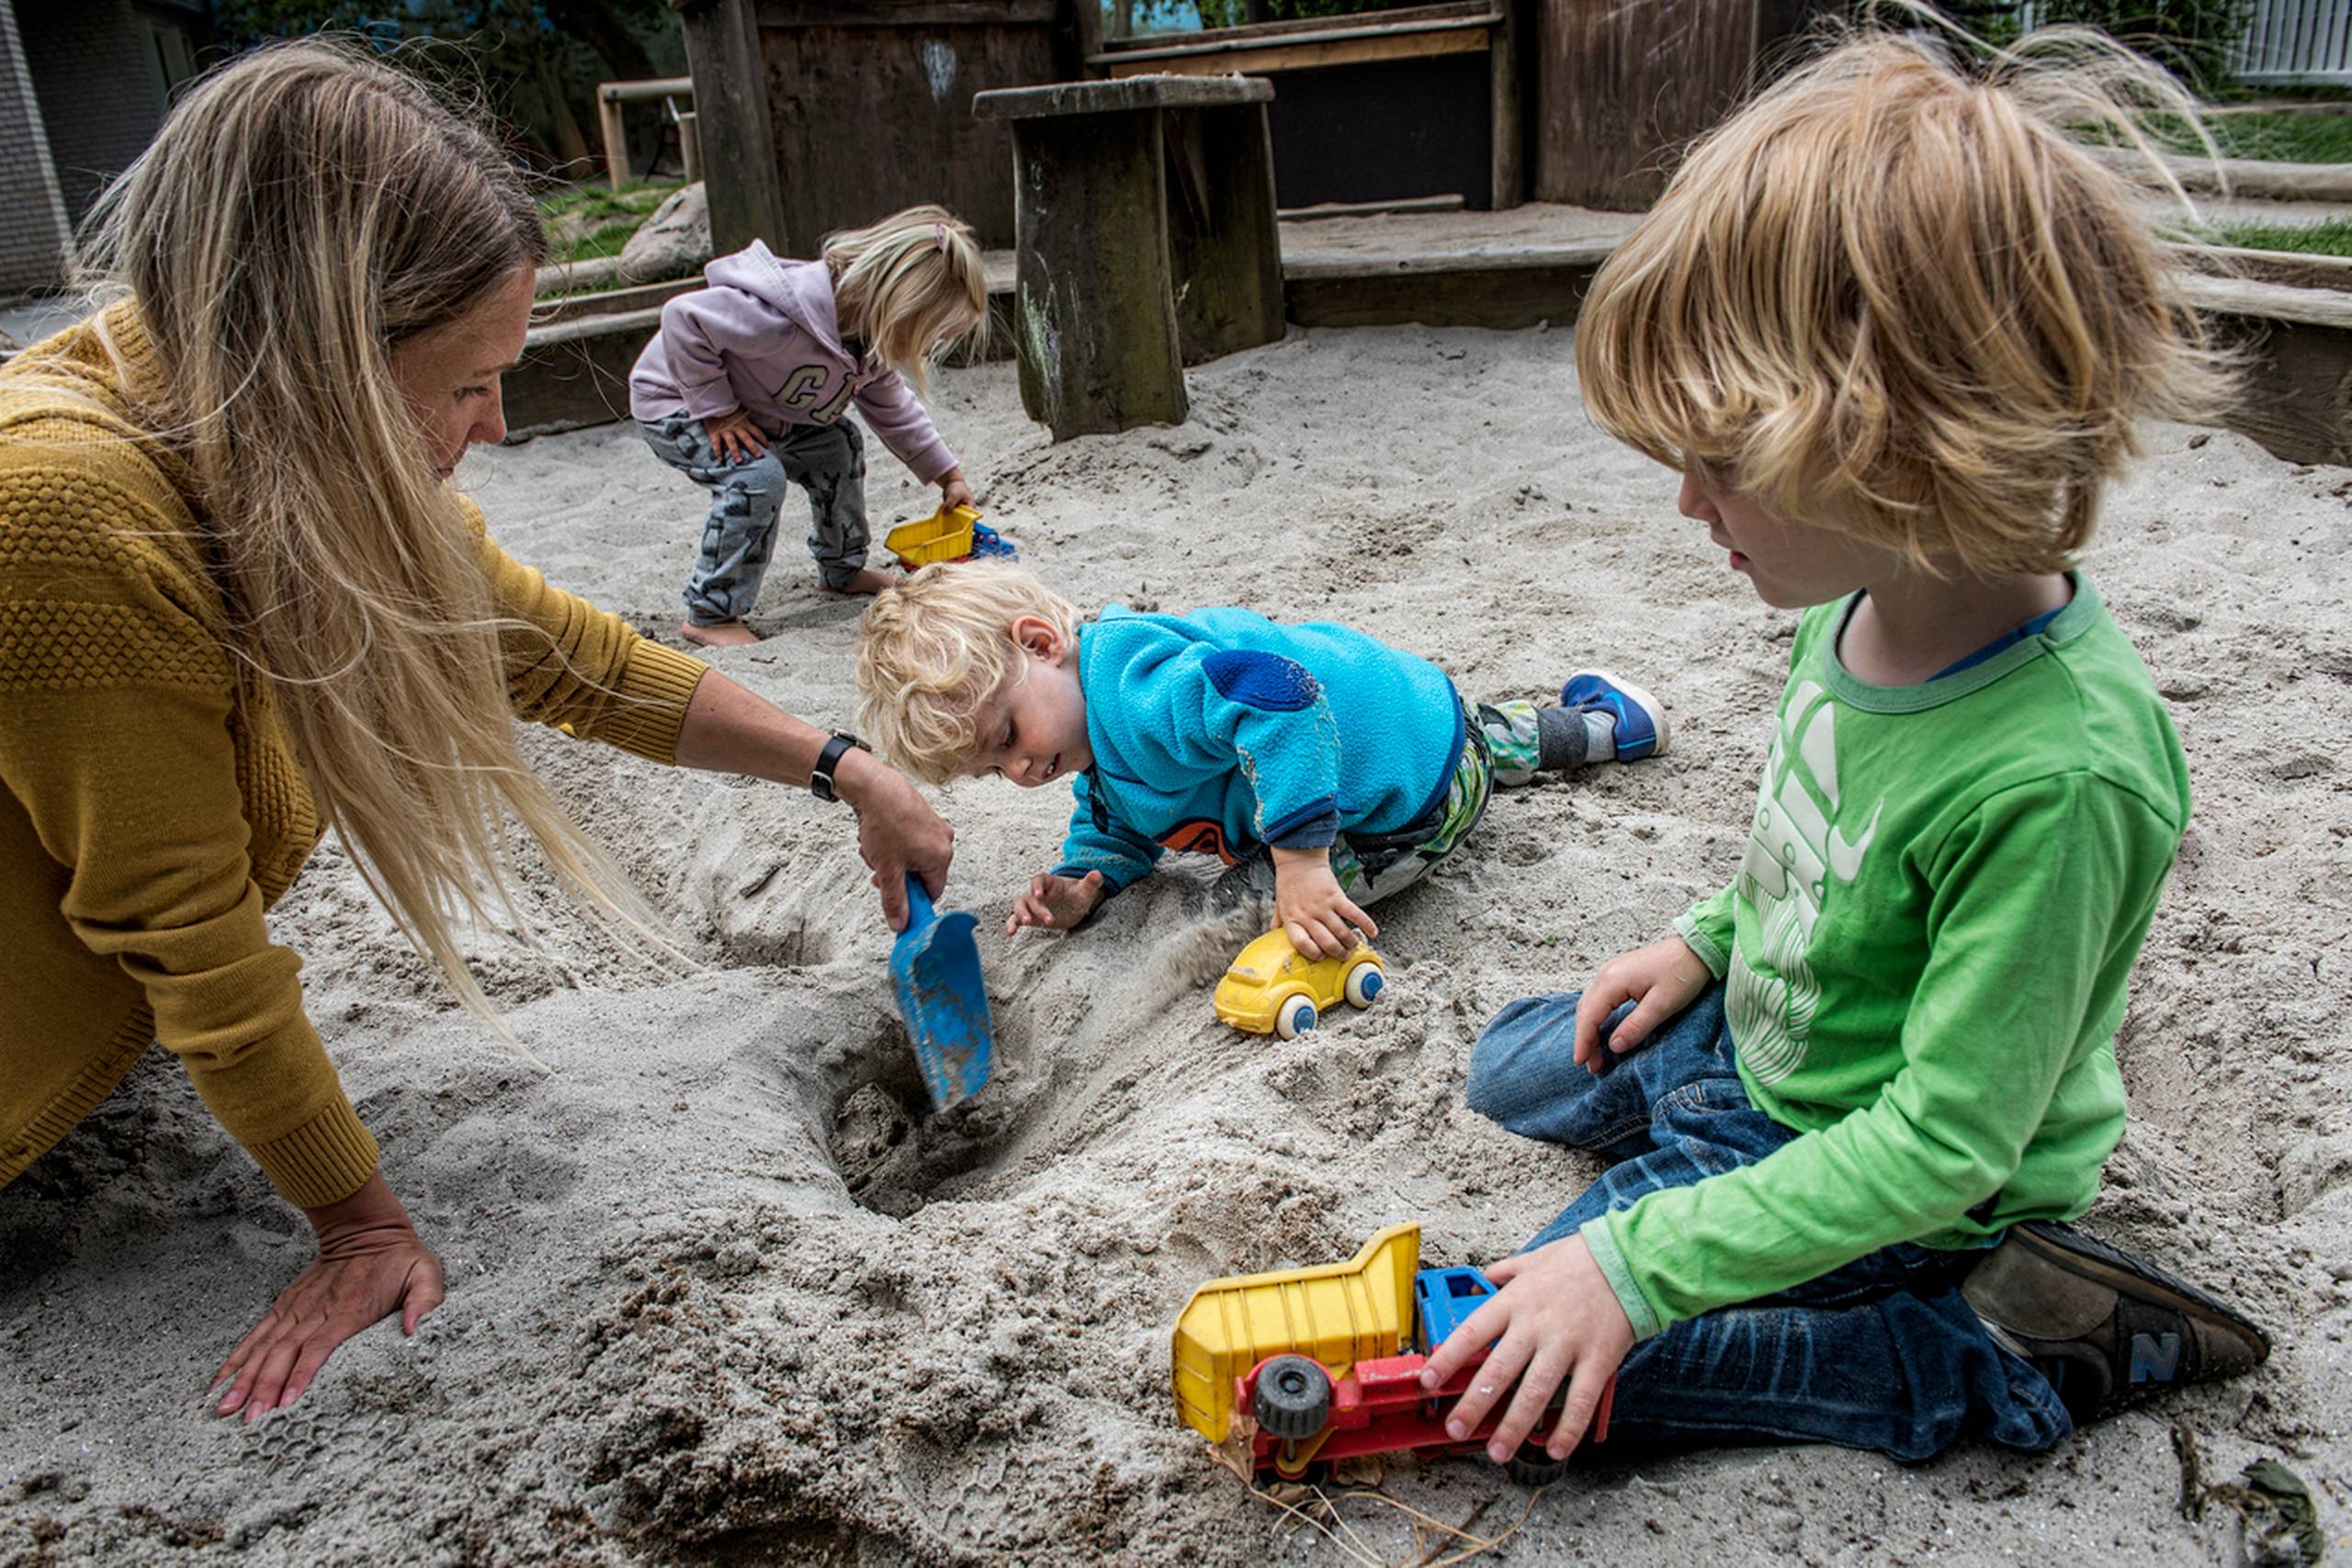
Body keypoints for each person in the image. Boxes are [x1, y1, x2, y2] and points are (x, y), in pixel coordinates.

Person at [0, 40, 954, 1425]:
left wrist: (851, 770)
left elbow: (569, 657)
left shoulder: (277, 436)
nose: (499, 424)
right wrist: (360, 1225)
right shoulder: (63, 515)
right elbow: (188, 934)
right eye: (462, 384)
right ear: (317, 351)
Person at [1416, 28, 2270, 1472]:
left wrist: (1637, 1268)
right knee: (1509, 1066)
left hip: (1916, 1171)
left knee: (1532, 1375)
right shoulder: (1863, 594)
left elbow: (1948, 1141)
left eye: (1725, 461)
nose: (1688, 503)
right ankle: (1692, 1139)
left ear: (1911, 442)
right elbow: (1813, 845)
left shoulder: (2060, 775)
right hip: (1771, 1039)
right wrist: (1706, 936)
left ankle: (1980, 1353)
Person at [854, 561, 1668, 958]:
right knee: (1487, 743)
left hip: (1402, 804)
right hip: (1422, 713)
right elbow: (1121, 813)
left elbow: (1280, 696)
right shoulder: (1091, 723)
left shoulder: (1138, 693)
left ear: (1040, 641)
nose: (1022, 772)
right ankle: (1609, 725)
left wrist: (1303, 862)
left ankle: (1590, 730)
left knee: (1249, 903)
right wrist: (1089, 880)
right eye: (992, 772)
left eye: (1005, 739)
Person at [629, 205, 987, 647]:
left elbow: (894, 408)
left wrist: (945, 473)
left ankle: (842, 568)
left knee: (839, 446)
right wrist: (718, 409)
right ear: (896, 308)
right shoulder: (777, 316)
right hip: (678, 403)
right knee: (756, 477)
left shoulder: (866, 343)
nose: (928, 349)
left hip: (764, 411)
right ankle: (710, 613)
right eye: (928, 336)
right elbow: (683, 319)